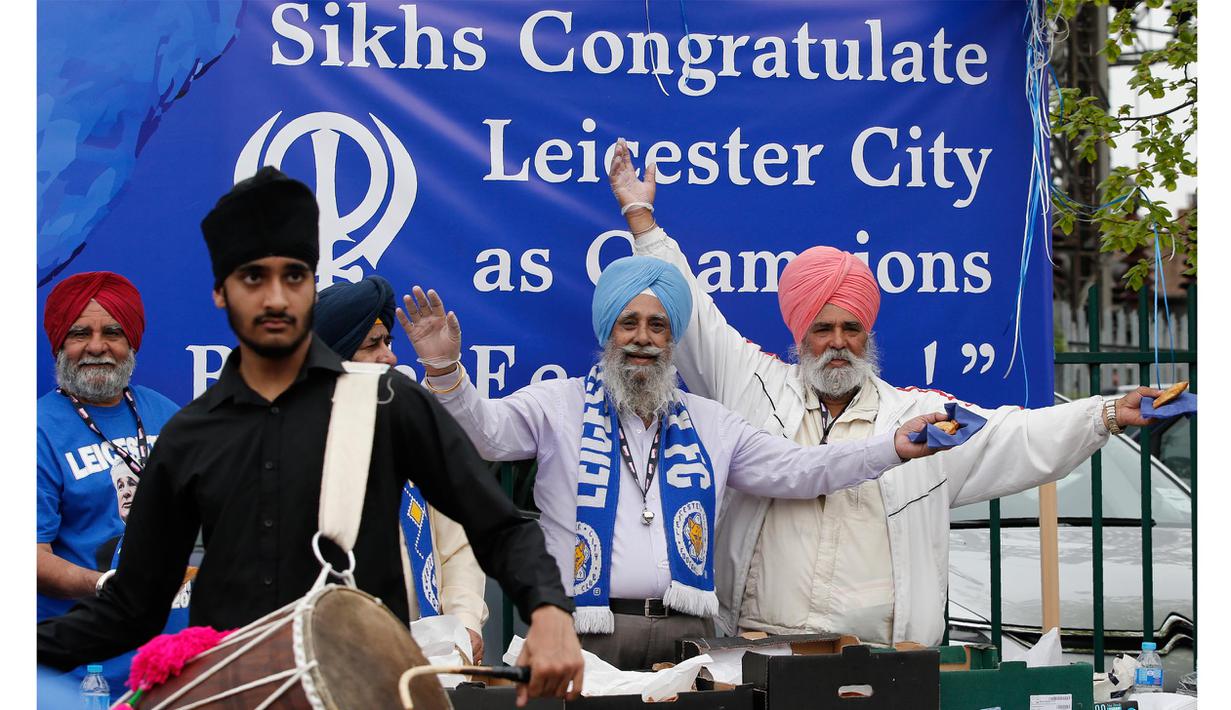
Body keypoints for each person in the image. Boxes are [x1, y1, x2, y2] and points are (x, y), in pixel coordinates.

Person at [38, 167, 584, 707]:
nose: (275, 297)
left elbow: (499, 527)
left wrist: (550, 611)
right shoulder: (188, 435)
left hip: (372, 692)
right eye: (254, 277)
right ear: (222, 295)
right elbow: (130, 608)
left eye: (292, 276)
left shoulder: (388, 403)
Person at [607, 139, 1164, 646]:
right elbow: (696, 314)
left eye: (851, 329)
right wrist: (641, 218)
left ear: (868, 335)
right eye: (822, 330)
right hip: (757, 649)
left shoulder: (916, 417)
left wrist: (1108, 412)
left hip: (883, 662)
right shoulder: (753, 386)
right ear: (800, 335)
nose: (837, 344)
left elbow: (1014, 436)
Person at [396, 256, 944, 670]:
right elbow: (485, 435)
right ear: (608, 330)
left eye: (658, 326)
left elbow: (802, 470)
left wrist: (890, 447)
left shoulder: (711, 422)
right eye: (628, 323)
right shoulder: (555, 405)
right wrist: (445, 371)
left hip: (688, 638)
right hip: (586, 633)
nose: (643, 339)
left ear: (674, 337)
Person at [314, 274, 489, 663]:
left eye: (388, 342)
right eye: (372, 346)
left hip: (426, 661)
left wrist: (465, 622)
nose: (390, 357)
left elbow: (458, 548)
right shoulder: (294, 449)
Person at [36, 271, 186, 694]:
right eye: (80, 333)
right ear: (60, 342)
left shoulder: (168, 414)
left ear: (131, 342)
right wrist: (106, 585)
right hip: (82, 679)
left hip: (173, 670)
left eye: (113, 332)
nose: (97, 346)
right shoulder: (35, 430)